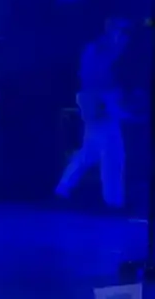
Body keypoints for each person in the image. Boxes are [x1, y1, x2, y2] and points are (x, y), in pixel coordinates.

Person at [55, 16, 132, 210]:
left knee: (92, 150)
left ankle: (63, 187)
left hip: (96, 99)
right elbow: (100, 72)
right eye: (118, 29)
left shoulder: (98, 48)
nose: (121, 34)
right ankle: (113, 202)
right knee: (112, 153)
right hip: (98, 99)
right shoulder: (99, 48)